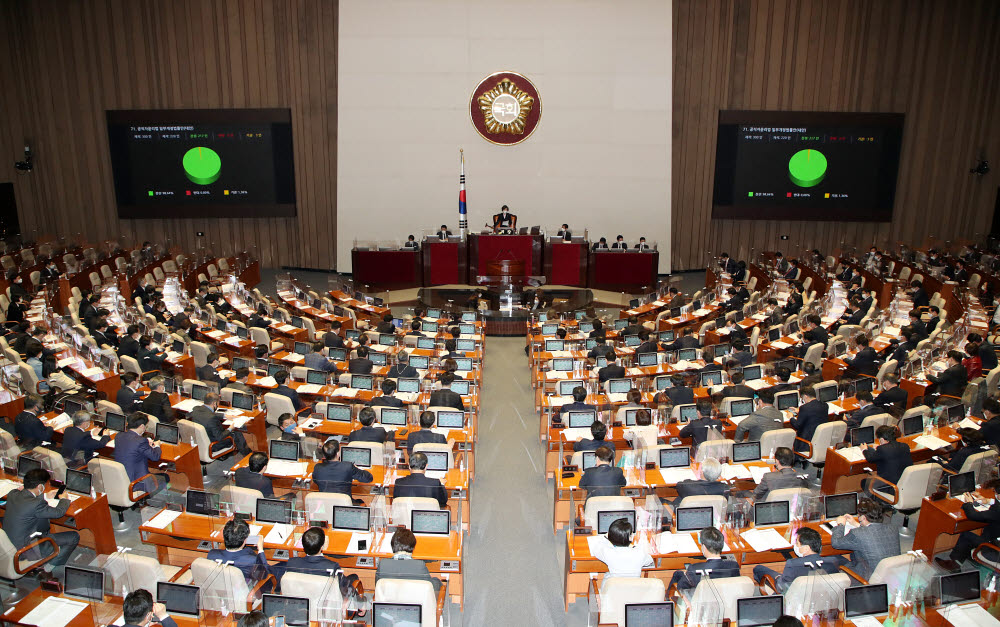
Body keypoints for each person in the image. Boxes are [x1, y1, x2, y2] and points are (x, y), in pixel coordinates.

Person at [2, 468, 79, 574]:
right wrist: (65, 499)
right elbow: (58, 513)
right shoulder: (36, 504)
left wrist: (45, 495)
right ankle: (47, 569)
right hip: (25, 550)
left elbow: (24, 496)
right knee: (74, 536)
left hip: (9, 545)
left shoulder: (12, 494)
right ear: (40, 486)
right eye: (45, 485)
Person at [753, 527, 842, 593]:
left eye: (797, 543)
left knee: (758, 569)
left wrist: (778, 577)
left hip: (794, 597)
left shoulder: (793, 564)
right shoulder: (832, 561)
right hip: (820, 595)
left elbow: (781, 587)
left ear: (806, 548)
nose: (795, 545)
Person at [829, 497, 901, 579]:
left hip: (869, 577)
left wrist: (841, 525)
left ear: (863, 517)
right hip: (892, 575)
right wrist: (856, 524)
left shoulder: (857, 533)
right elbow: (873, 533)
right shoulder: (893, 529)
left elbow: (836, 543)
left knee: (833, 559)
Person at [937, 494, 1000, 571]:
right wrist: (989, 501)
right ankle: (964, 557)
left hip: (995, 552)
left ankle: (954, 565)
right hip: (996, 542)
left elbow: (973, 515)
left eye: (996, 494)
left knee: (966, 536)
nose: (995, 495)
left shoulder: (997, 510)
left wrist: (969, 503)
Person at [668, 527, 740, 590]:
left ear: (704, 547)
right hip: (724, 597)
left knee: (677, 574)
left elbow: (681, 589)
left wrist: (688, 574)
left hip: (700, 600)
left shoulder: (693, 569)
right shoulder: (734, 566)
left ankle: (668, 599)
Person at [376, 528, 443, 593]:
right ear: (413, 546)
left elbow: (378, 587)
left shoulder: (383, 565)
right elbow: (431, 587)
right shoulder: (419, 566)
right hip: (415, 603)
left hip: (389, 603)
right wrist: (438, 581)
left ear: (392, 545)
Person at [115, 414, 166, 494]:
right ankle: (154, 501)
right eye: (145, 426)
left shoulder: (119, 436)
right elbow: (155, 457)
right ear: (142, 426)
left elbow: (132, 447)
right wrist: (157, 446)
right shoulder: (141, 441)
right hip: (137, 482)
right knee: (165, 478)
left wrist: (146, 446)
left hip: (121, 479)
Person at [207, 519, 271, 584]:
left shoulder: (212, 554)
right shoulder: (252, 560)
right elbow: (265, 575)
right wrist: (260, 549)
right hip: (246, 589)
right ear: (245, 540)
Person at [190, 392, 251, 456]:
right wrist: (230, 428)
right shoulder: (211, 418)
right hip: (214, 444)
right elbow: (219, 437)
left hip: (201, 441)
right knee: (236, 433)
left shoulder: (196, 409)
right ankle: (248, 455)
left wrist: (224, 416)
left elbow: (208, 414)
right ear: (214, 403)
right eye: (218, 403)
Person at [590, 518, 654, 578]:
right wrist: (633, 546)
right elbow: (649, 561)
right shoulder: (640, 553)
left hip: (614, 588)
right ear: (630, 538)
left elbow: (596, 547)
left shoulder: (608, 552)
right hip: (634, 588)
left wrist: (606, 537)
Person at [861, 425, 911, 494]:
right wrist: (880, 448)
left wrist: (864, 449)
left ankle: (883, 502)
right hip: (905, 484)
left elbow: (870, 459)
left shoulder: (882, 449)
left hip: (890, 486)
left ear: (881, 439)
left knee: (864, 482)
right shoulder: (905, 446)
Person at [790, 385, 828, 454]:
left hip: (806, 442)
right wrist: (800, 412)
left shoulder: (804, 408)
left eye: (802, 398)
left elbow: (797, 426)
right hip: (821, 439)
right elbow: (815, 414)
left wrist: (791, 418)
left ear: (805, 396)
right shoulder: (825, 405)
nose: (803, 400)